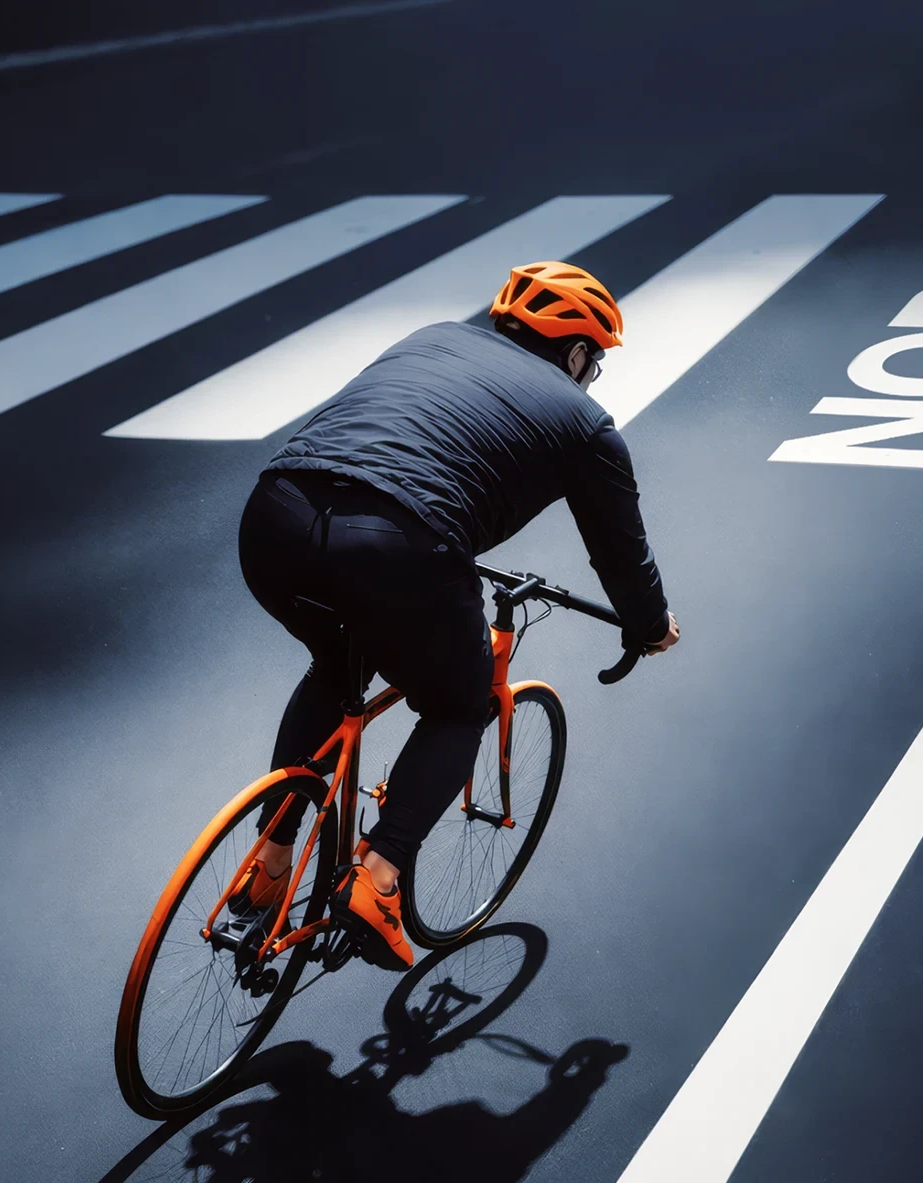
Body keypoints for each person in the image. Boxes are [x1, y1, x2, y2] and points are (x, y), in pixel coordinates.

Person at [233, 261, 680, 970]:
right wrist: (649, 626)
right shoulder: (586, 424)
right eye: (592, 362)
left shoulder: (431, 337)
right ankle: (379, 879)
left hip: (274, 517)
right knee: (459, 706)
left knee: (336, 660)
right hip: (395, 548)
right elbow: (619, 552)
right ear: (575, 353)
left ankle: (272, 855)